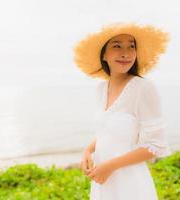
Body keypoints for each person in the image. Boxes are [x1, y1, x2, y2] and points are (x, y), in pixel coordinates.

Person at [73, 22, 172, 199]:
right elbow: (106, 131)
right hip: (103, 181)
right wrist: (88, 150)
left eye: (131, 47)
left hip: (130, 184)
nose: (125, 53)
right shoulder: (101, 89)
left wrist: (110, 166)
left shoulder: (143, 88)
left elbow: (155, 146)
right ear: (104, 54)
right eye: (117, 46)